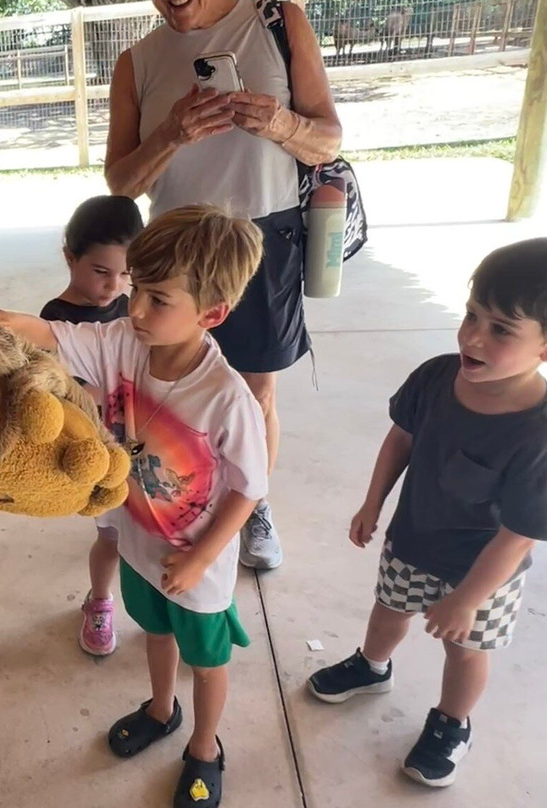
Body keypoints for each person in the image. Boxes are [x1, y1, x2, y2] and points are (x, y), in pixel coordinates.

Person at [0, 205, 268, 808]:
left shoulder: (227, 398)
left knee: (206, 658)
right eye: (136, 289)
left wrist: (201, 561)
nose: (135, 307)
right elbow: (52, 335)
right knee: (155, 632)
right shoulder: (123, 340)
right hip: (139, 542)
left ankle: (204, 746)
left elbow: (249, 488)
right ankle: (161, 710)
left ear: (212, 314)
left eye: (158, 299)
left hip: (194, 561)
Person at [104, 0, 342, 570]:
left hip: (263, 237)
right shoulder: (136, 62)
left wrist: (280, 124)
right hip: (174, 253)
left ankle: (250, 505)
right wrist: (170, 134)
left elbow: (328, 139)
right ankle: (167, 496)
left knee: (255, 389)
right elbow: (119, 183)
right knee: (168, 387)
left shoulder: (278, 19)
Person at [307, 240, 547, 788]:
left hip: (485, 574)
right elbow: (401, 440)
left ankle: (452, 723)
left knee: (464, 651)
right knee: (387, 612)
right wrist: (374, 502)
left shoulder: (538, 433)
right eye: (471, 315)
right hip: (412, 541)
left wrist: (467, 598)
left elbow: (518, 535)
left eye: (501, 329)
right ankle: (371, 666)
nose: (472, 336)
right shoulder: (437, 377)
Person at [38, 194, 143, 657]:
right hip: (99, 448)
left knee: (148, 531)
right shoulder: (54, 321)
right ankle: (99, 602)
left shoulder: (134, 309)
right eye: (101, 272)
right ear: (70, 257)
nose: (114, 286)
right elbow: (65, 392)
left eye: (126, 275)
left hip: (142, 443)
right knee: (111, 534)